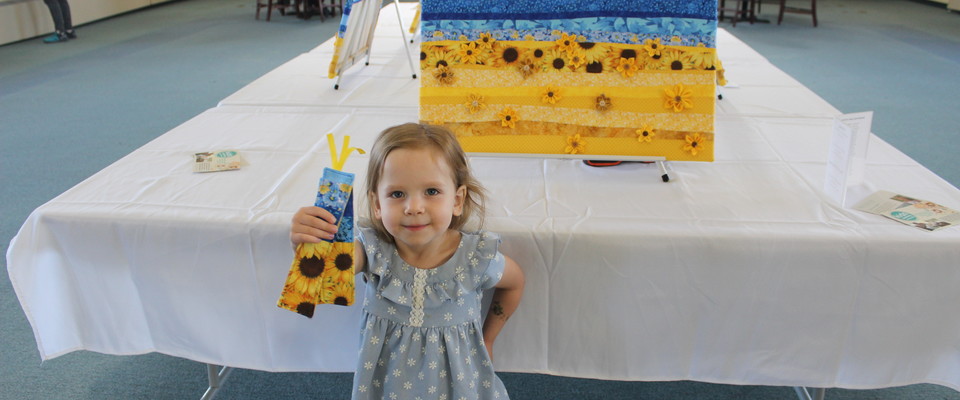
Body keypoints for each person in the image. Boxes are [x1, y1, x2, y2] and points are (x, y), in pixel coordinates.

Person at [291, 123, 525, 399]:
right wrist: (306, 245)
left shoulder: (475, 258)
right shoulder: (372, 251)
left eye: (432, 192)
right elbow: (327, 277)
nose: (413, 207)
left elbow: (515, 282)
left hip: (460, 389)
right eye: (397, 194)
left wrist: (488, 338)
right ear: (377, 204)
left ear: (457, 200)